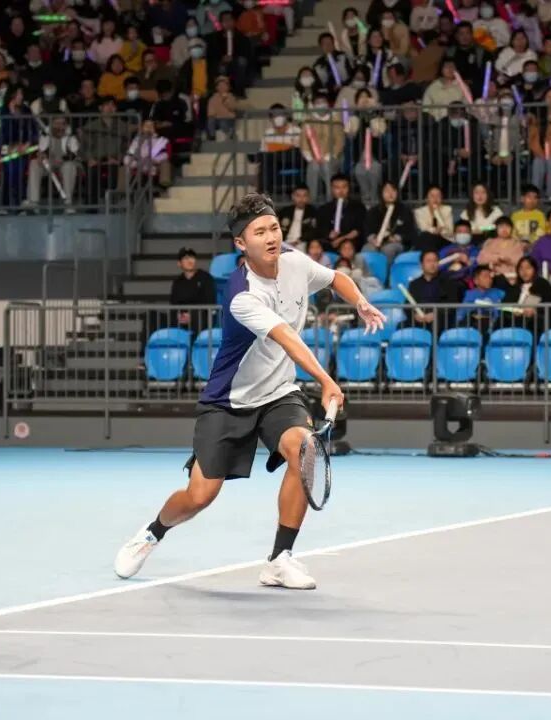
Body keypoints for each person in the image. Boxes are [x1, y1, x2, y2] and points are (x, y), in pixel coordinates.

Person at [113, 193, 386, 589]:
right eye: (260, 232)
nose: (271, 237)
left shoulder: (294, 262)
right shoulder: (242, 295)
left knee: (304, 450)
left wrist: (359, 301)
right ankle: (153, 532)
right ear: (241, 243)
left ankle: (279, 559)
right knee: (200, 495)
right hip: (229, 402)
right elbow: (287, 337)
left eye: (274, 227)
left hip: (279, 394)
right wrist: (327, 380)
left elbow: (334, 278)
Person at [170, 248, 218, 335]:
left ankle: (195, 342)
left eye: (192, 257)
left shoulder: (205, 278)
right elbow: (173, 304)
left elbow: (210, 302)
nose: (190, 261)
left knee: (197, 314)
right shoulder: (177, 282)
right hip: (182, 319)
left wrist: (191, 315)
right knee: (152, 315)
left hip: (202, 317)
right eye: (186, 258)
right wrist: (179, 315)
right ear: (179, 263)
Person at [316, 174, 366, 251]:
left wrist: (341, 239)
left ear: (349, 188)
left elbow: (358, 230)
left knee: (348, 246)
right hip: (329, 242)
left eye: (344, 187)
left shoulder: (358, 207)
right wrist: (328, 234)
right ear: (332, 189)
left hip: (351, 242)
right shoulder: (324, 209)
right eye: (337, 188)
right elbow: (320, 229)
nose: (341, 191)